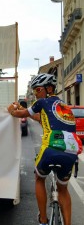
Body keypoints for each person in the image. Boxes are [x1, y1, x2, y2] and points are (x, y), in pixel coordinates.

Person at [7, 73, 82, 225]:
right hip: (71, 151)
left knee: (39, 178)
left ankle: (43, 219)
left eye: (37, 90)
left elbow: (19, 114)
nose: (35, 94)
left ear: (48, 89)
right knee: (63, 190)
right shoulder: (65, 107)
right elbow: (40, 119)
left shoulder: (42, 103)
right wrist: (26, 110)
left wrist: (12, 110)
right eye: (34, 91)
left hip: (51, 148)